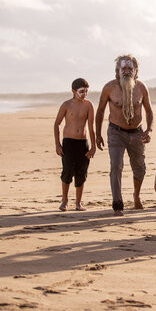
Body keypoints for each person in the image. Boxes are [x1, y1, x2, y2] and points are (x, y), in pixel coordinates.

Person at [96, 54, 154, 216]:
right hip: (116, 132)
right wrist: (98, 134)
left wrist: (149, 130)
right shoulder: (109, 88)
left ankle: (136, 196)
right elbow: (100, 111)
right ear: (118, 70)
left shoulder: (141, 88)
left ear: (136, 71)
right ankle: (117, 203)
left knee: (139, 169)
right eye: (124, 68)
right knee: (116, 166)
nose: (127, 71)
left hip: (137, 133)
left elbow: (149, 111)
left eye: (130, 68)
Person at [54, 78, 96, 211]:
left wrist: (93, 147)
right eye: (82, 91)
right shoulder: (66, 105)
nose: (84, 94)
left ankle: (78, 203)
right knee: (67, 171)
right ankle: (64, 200)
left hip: (82, 143)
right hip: (69, 142)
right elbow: (57, 124)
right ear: (74, 91)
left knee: (81, 173)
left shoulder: (89, 105)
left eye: (86, 91)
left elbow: (91, 127)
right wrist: (58, 144)